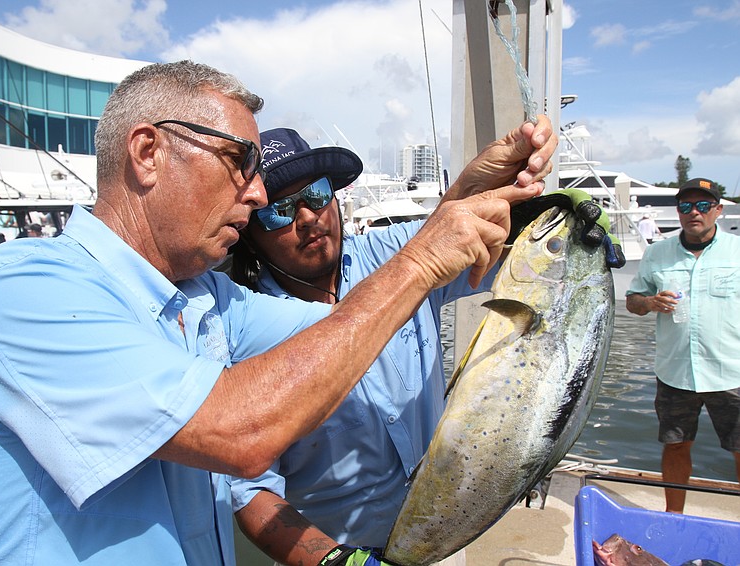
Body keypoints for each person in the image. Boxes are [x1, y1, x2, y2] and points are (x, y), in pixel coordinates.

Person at [0, 61, 550, 565]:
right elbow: (240, 432)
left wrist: (472, 196)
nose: (257, 195)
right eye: (242, 163)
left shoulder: (207, 301)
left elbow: (351, 334)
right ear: (148, 152)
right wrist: (419, 262)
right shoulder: (25, 288)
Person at [228, 127, 622, 565]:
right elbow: (247, 490)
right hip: (332, 549)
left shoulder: (394, 251)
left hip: (444, 527)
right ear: (251, 232)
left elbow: (487, 241)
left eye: (317, 194)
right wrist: (337, 560)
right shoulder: (242, 327)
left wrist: (558, 223)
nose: (307, 217)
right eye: (279, 210)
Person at [626, 177, 740, 514]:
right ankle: (674, 517)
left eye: (703, 205)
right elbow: (632, 300)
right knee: (676, 446)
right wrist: (650, 302)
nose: (695, 212)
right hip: (675, 372)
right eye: (686, 206)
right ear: (678, 212)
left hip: (731, 372)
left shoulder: (737, 251)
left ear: (717, 210)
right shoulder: (657, 253)